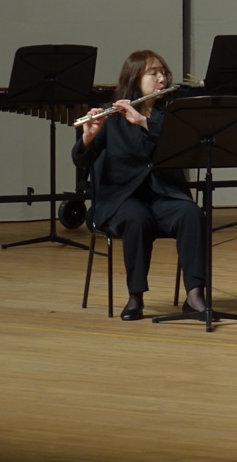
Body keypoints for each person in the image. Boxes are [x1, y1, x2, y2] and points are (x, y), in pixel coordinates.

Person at [72, 50, 205, 321]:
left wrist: (143, 122)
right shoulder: (111, 117)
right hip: (122, 198)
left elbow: (183, 150)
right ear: (134, 79)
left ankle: (194, 295)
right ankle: (135, 296)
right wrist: (88, 138)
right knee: (136, 218)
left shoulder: (172, 116)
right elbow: (81, 160)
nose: (161, 79)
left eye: (163, 73)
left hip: (164, 194)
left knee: (191, 214)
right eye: (153, 73)